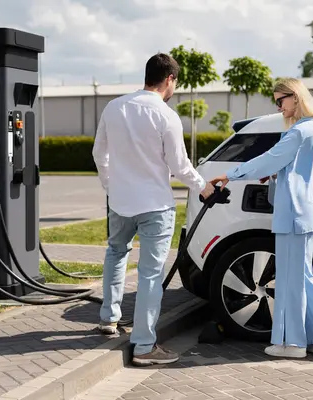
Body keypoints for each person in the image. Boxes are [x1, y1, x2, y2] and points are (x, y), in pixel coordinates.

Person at [92, 53, 215, 367]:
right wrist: (204, 186)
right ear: (170, 79)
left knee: (115, 252)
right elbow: (179, 165)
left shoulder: (114, 107)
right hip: (155, 206)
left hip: (119, 202)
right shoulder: (165, 115)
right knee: (149, 275)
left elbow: (99, 153)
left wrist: (111, 186)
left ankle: (109, 318)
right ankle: (145, 346)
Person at [209, 77, 313, 359]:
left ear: (295, 97)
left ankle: (293, 344)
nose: (279, 106)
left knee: (292, 281)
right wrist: (279, 172)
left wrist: (229, 174)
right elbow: (294, 168)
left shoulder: (297, 133)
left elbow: (269, 158)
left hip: (292, 214)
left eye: (281, 100)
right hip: (305, 212)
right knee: (304, 278)